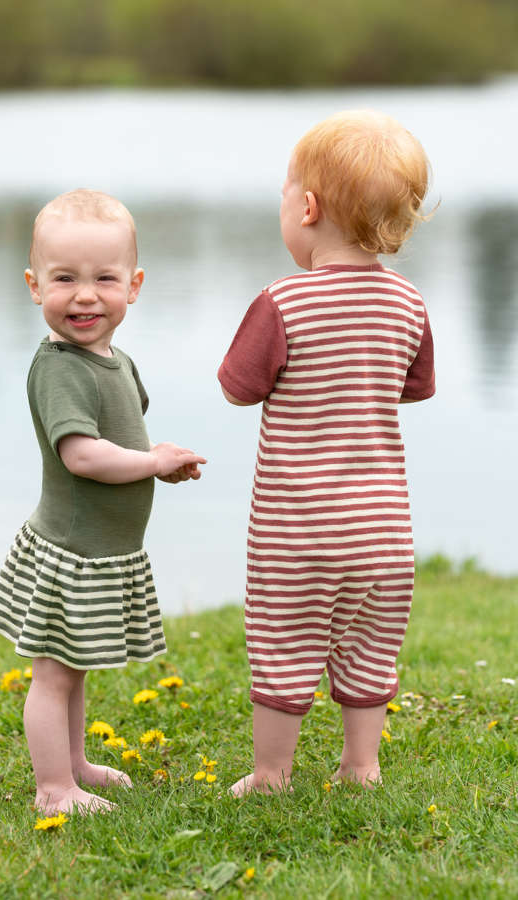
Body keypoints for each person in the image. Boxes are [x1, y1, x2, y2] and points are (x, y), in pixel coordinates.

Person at [218, 110, 435, 795]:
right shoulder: (409, 304)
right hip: (382, 531)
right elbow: (413, 388)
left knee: (284, 645)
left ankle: (271, 775)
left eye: (285, 195)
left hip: (299, 532)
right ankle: (361, 764)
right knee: (370, 644)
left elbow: (237, 388)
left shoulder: (283, 302)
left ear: (306, 208)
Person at [0, 189, 206, 814]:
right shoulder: (60, 368)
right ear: (34, 285)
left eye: (104, 278)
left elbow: (123, 442)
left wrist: (159, 460)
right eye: (64, 279)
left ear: (133, 286)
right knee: (53, 674)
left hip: (103, 550)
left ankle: (74, 763)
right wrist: (149, 462)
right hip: (71, 551)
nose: (85, 295)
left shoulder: (114, 360)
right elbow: (81, 454)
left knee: (73, 668)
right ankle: (53, 788)